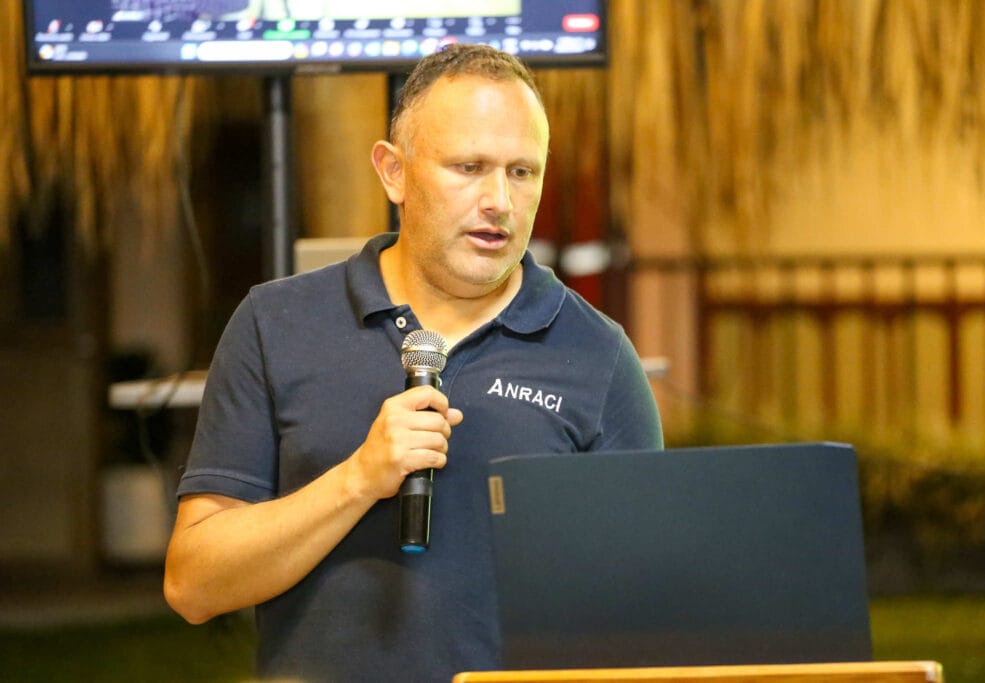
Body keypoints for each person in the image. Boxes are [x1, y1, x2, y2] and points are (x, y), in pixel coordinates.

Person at [163, 43, 663, 682]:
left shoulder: (598, 356)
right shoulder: (275, 324)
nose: (499, 201)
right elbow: (194, 585)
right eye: (469, 167)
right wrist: (358, 480)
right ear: (393, 172)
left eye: (521, 172)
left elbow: (646, 613)